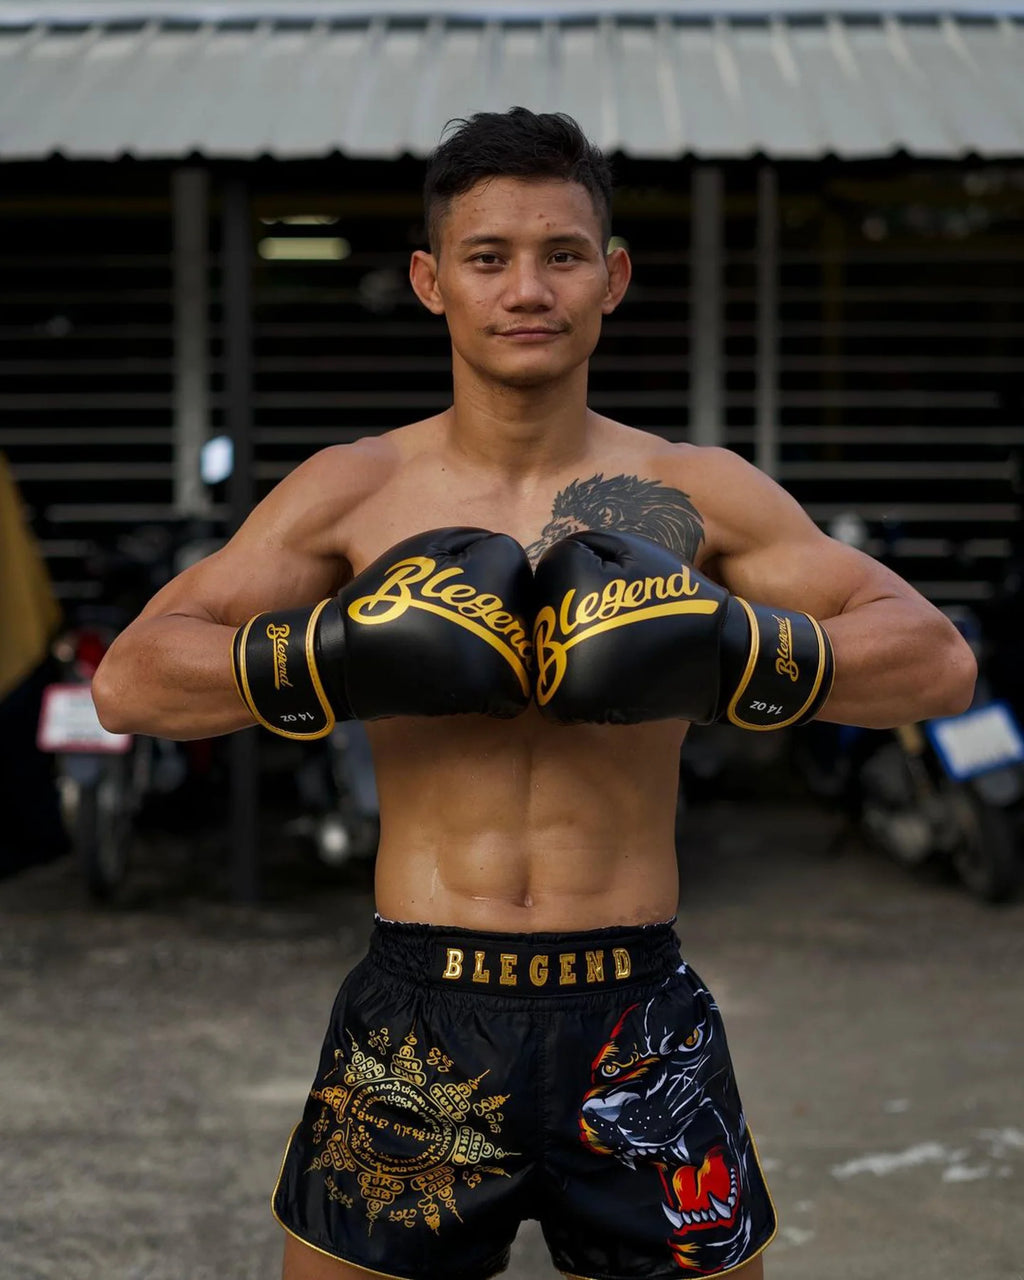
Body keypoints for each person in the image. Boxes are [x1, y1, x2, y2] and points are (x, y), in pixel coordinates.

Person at [93, 108, 976, 1280]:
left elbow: (935, 659)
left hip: (636, 1013)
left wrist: (727, 644)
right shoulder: (354, 490)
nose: (528, 288)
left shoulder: (694, 489)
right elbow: (132, 680)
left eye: (562, 254)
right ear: (430, 280)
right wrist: (337, 650)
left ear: (611, 278)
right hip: (418, 1010)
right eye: (487, 256)